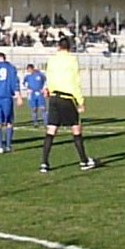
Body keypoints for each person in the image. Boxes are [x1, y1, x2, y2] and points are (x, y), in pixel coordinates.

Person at [40, 37, 96, 173]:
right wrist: (80, 101)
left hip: (54, 98)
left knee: (51, 130)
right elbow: (75, 82)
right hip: (67, 97)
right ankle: (84, 161)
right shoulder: (72, 60)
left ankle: (44, 163)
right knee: (76, 129)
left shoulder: (52, 60)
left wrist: (47, 89)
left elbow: (49, 77)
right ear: (70, 47)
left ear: (58, 46)